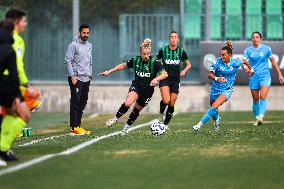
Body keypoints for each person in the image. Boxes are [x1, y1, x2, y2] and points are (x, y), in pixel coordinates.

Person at [99, 38, 168, 135]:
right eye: (144, 54)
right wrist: (109, 71)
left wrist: (156, 79)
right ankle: (116, 118)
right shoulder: (135, 60)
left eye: (148, 53)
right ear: (140, 53)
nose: (146, 56)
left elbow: (165, 74)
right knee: (128, 103)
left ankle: (126, 128)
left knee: (136, 110)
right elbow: (123, 66)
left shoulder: (154, 62)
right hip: (137, 85)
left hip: (148, 91)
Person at [192, 42, 254, 131]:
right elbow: (210, 75)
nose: (222, 56)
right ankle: (217, 120)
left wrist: (251, 69)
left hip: (227, 89)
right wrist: (217, 78)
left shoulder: (235, 62)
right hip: (215, 89)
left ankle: (199, 124)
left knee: (214, 107)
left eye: (224, 55)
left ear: (229, 55)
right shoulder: (217, 61)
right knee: (214, 107)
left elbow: (244, 61)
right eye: (221, 54)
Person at [0, 19, 31, 163]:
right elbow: (14, 73)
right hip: (5, 85)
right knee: (24, 114)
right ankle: (3, 148)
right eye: (23, 21)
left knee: (10, 113)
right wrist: (18, 95)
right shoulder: (9, 48)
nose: (25, 24)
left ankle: (4, 149)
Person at [4, 9, 41, 115]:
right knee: (21, 111)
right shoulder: (16, 40)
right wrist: (26, 85)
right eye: (24, 21)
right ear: (16, 22)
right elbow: (17, 64)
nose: (26, 24)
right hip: (7, 80)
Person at [244, 31, 284, 125]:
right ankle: (257, 117)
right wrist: (246, 68)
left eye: (257, 37)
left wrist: (280, 74)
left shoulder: (266, 49)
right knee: (255, 99)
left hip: (265, 75)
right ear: (251, 39)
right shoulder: (248, 50)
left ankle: (261, 117)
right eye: (253, 37)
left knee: (263, 96)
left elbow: (273, 62)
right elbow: (244, 61)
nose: (255, 39)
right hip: (253, 76)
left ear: (260, 39)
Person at [156, 31, 191, 128]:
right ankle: (161, 113)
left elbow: (189, 64)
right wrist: (159, 69)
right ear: (169, 39)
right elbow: (156, 61)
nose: (173, 39)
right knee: (166, 100)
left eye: (175, 37)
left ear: (178, 39)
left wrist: (184, 71)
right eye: (171, 37)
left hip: (176, 79)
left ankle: (165, 124)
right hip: (165, 77)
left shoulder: (181, 51)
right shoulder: (163, 50)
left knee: (172, 102)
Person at [65, 24, 93, 135]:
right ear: (79, 33)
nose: (86, 35)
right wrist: (72, 76)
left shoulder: (89, 45)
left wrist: (90, 73)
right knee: (75, 102)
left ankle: (78, 126)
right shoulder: (73, 45)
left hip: (86, 79)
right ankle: (74, 126)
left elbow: (90, 61)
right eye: (84, 33)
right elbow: (68, 61)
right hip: (76, 79)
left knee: (83, 102)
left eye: (87, 33)